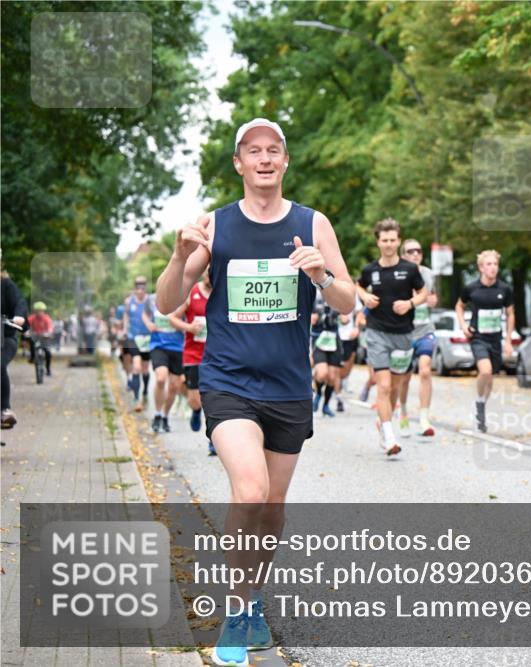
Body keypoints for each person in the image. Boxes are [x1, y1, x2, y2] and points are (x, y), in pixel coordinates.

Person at [154, 117, 355, 667]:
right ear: (239, 164)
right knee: (250, 489)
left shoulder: (314, 225)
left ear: (285, 162)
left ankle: (254, 597)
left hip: (289, 385)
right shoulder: (216, 228)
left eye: (274, 150)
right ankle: (236, 611)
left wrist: (321, 276)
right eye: (252, 151)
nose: (264, 158)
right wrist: (177, 257)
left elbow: (348, 302)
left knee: (271, 505)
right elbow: (166, 304)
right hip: (228, 380)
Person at [357, 218, 428, 456]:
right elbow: (357, 286)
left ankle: (383, 423)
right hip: (377, 332)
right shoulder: (370, 270)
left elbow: (423, 294)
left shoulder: (409, 269)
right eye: (384, 240)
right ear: (378, 242)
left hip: (403, 335)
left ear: (398, 240)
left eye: (392, 240)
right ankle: (389, 437)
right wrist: (364, 297)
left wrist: (409, 303)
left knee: (396, 386)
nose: (388, 244)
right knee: (384, 386)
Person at [454, 250, 515, 433]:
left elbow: (511, 313)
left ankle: (481, 404)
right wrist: (463, 326)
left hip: (495, 338)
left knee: (490, 378)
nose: (493, 268)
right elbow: (459, 306)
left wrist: (509, 340)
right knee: (485, 371)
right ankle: (480, 405)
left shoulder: (504, 289)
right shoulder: (471, 289)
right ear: (481, 267)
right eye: (489, 264)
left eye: (495, 264)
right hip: (478, 337)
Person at [168, 270, 214, 454]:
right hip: (193, 354)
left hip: (216, 355)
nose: (210, 277)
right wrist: (189, 328)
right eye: (208, 273)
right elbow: (172, 318)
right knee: (195, 400)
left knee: (215, 399)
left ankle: (214, 439)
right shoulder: (191, 293)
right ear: (203, 274)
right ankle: (196, 411)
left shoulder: (222, 293)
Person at [396, 239, 438, 437]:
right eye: (410, 251)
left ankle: (424, 419)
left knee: (425, 371)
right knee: (404, 378)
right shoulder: (399, 273)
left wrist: (431, 300)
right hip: (405, 332)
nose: (415, 254)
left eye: (418, 251)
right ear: (403, 254)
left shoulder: (428, 274)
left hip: (425, 330)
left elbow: (434, 298)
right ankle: (403, 412)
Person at [144, 294, 185, 433]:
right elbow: (145, 314)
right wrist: (148, 324)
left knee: (174, 386)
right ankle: (157, 414)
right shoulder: (152, 299)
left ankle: (165, 416)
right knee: (161, 379)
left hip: (178, 347)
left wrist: (183, 326)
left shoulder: (183, 299)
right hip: (158, 345)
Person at [2, 270, 28, 430]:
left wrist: (19, 316)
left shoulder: (6, 285)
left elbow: (20, 302)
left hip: (5, 338)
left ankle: (4, 409)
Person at [122, 277, 153, 410]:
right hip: (133, 337)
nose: (140, 287)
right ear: (135, 286)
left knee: (145, 368)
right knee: (136, 367)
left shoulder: (150, 301)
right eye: (138, 285)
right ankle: (136, 398)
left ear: (145, 286)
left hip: (147, 338)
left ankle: (145, 392)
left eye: (143, 285)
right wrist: (124, 329)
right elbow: (126, 316)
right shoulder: (129, 301)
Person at [310, 300, 343, 417]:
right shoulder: (314, 294)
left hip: (334, 341)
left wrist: (344, 317)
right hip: (319, 340)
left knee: (332, 378)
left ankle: (326, 406)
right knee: (322, 374)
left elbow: (345, 312)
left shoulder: (335, 294)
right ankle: (318, 393)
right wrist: (313, 317)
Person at [27, 302, 54, 376]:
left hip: (44, 337)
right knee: (31, 343)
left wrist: (48, 332)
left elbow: (50, 327)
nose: (39, 313)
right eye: (37, 311)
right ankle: (32, 357)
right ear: (35, 311)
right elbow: (27, 325)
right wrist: (27, 332)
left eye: (41, 311)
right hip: (35, 337)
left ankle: (48, 369)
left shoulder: (46, 318)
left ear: (43, 311)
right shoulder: (32, 318)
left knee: (48, 353)